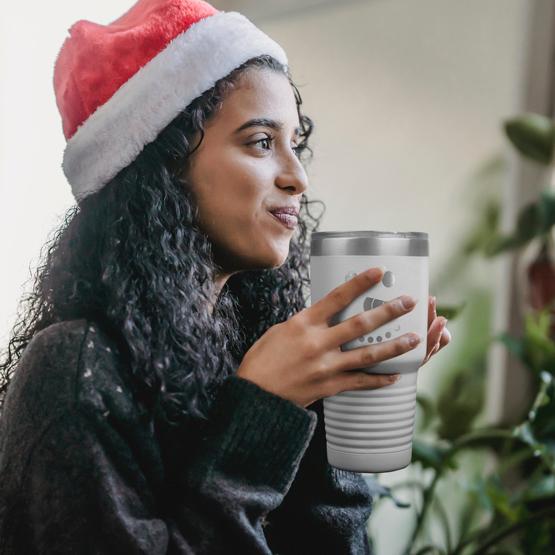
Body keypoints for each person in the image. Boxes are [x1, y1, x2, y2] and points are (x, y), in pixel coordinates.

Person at [0, 0, 451, 553]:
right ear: (162, 165)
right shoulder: (74, 369)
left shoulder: (248, 343)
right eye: (262, 142)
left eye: (296, 143)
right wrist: (260, 413)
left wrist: (336, 406)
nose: (298, 177)